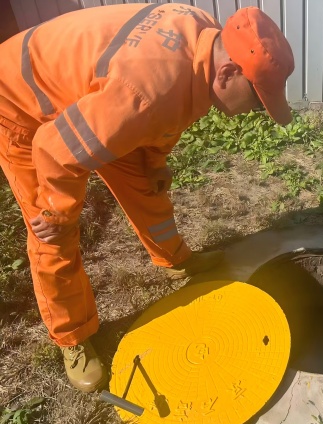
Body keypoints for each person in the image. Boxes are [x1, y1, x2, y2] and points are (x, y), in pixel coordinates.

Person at [0, 4, 294, 392]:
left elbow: (166, 112)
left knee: (146, 183)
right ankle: (72, 335)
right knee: (53, 236)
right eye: (257, 101)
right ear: (227, 73)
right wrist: (55, 213)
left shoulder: (203, 41)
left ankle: (174, 259)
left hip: (97, 99)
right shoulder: (144, 91)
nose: (253, 111)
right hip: (21, 105)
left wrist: (154, 162)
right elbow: (54, 149)